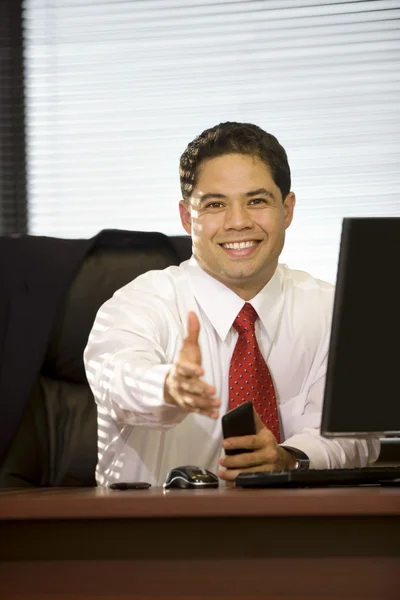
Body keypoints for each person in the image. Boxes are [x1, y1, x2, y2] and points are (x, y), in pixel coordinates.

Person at [84, 122, 379, 487]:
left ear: (287, 209)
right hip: (155, 536)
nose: (238, 222)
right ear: (186, 217)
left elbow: (353, 436)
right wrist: (169, 386)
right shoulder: (138, 304)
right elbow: (116, 379)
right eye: (215, 204)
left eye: (257, 201)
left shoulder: (332, 310)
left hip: (298, 532)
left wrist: (288, 458)